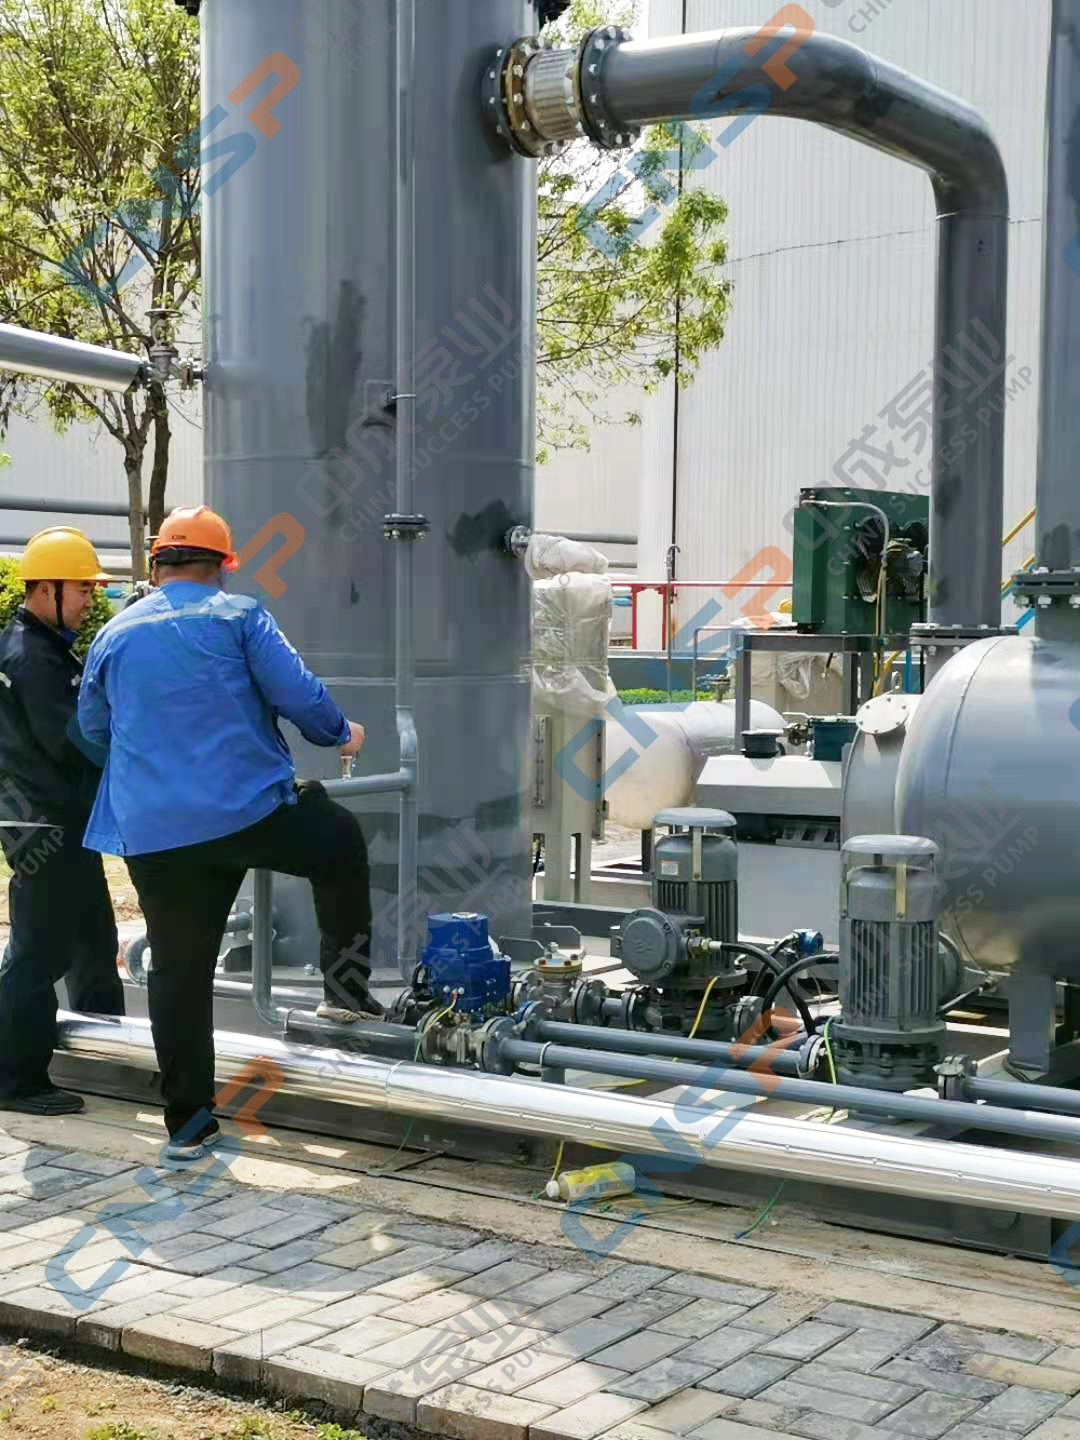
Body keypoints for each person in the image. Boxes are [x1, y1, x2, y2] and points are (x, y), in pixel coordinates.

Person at [78, 505, 380, 1162]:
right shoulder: (240, 616)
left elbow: (93, 729)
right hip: (247, 814)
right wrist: (341, 734)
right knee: (339, 842)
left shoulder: (114, 633)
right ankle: (345, 993)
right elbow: (299, 695)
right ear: (221, 566)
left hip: (154, 832)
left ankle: (188, 1128)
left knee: (178, 971)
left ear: (157, 564)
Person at [0, 527, 124, 1116]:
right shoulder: (31, 657)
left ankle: (111, 1060)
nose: (88, 600)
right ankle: (14, 1080)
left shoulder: (45, 646)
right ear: (46, 589)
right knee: (38, 953)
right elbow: (72, 742)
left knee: (94, 942)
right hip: (43, 825)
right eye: (81, 590)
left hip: (64, 822)